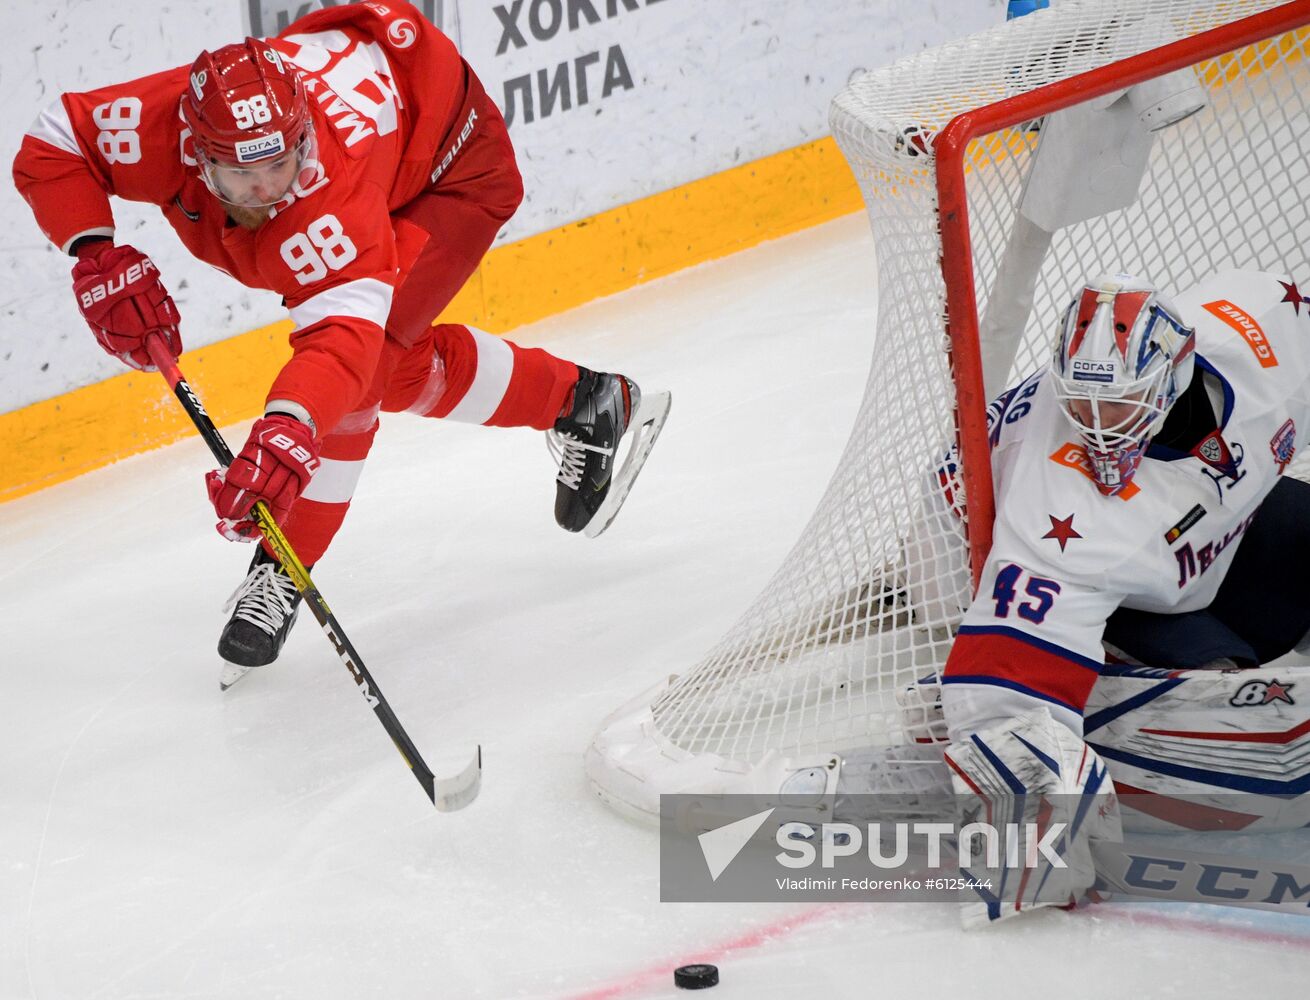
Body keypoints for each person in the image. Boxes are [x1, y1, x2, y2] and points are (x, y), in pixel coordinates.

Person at [12, 2, 670, 679]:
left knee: (371, 374)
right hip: (392, 125)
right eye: (242, 176)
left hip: (451, 164)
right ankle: (585, 402)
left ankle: (282, 567)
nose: (267, 191)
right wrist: (93, 252)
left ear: (301, 138)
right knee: (398, 370)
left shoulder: (328, 198)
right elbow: (58, 140)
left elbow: (343, 344)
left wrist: (289, 429)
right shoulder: (165, 123)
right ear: (196, 154)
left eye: (283, 164)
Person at [807, 270, 1310, 926]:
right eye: (1083, 405)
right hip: (972, 572)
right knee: (1213, 691)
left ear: (1177, 371)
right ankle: (1063, 696)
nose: (1100, 430)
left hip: (1196, 542)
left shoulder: (1269, 323)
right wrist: (1031, 827)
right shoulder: (1064, 513)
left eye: (1120, 405)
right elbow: (1005, 683)